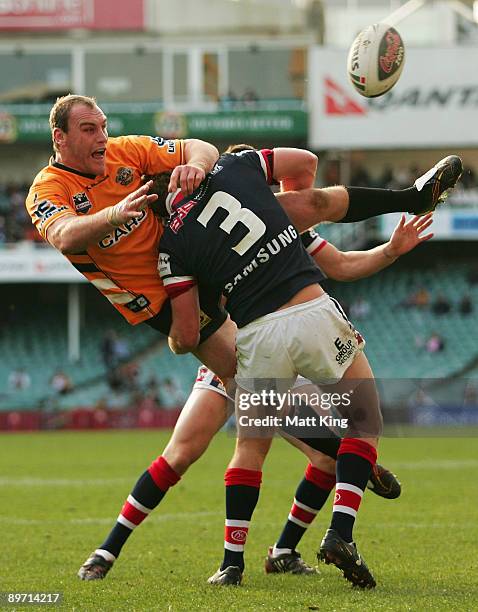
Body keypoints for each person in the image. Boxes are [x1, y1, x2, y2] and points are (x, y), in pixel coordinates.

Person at [73, 140, 459, 583]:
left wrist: (388, 250)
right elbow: (317, 201)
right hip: (241, 350)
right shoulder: (255, 193)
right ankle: (111, 550)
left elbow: (185, 328)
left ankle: (268, 554)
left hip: (251, 342)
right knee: (198, 452)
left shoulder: (173, 246)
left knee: (280, 451)